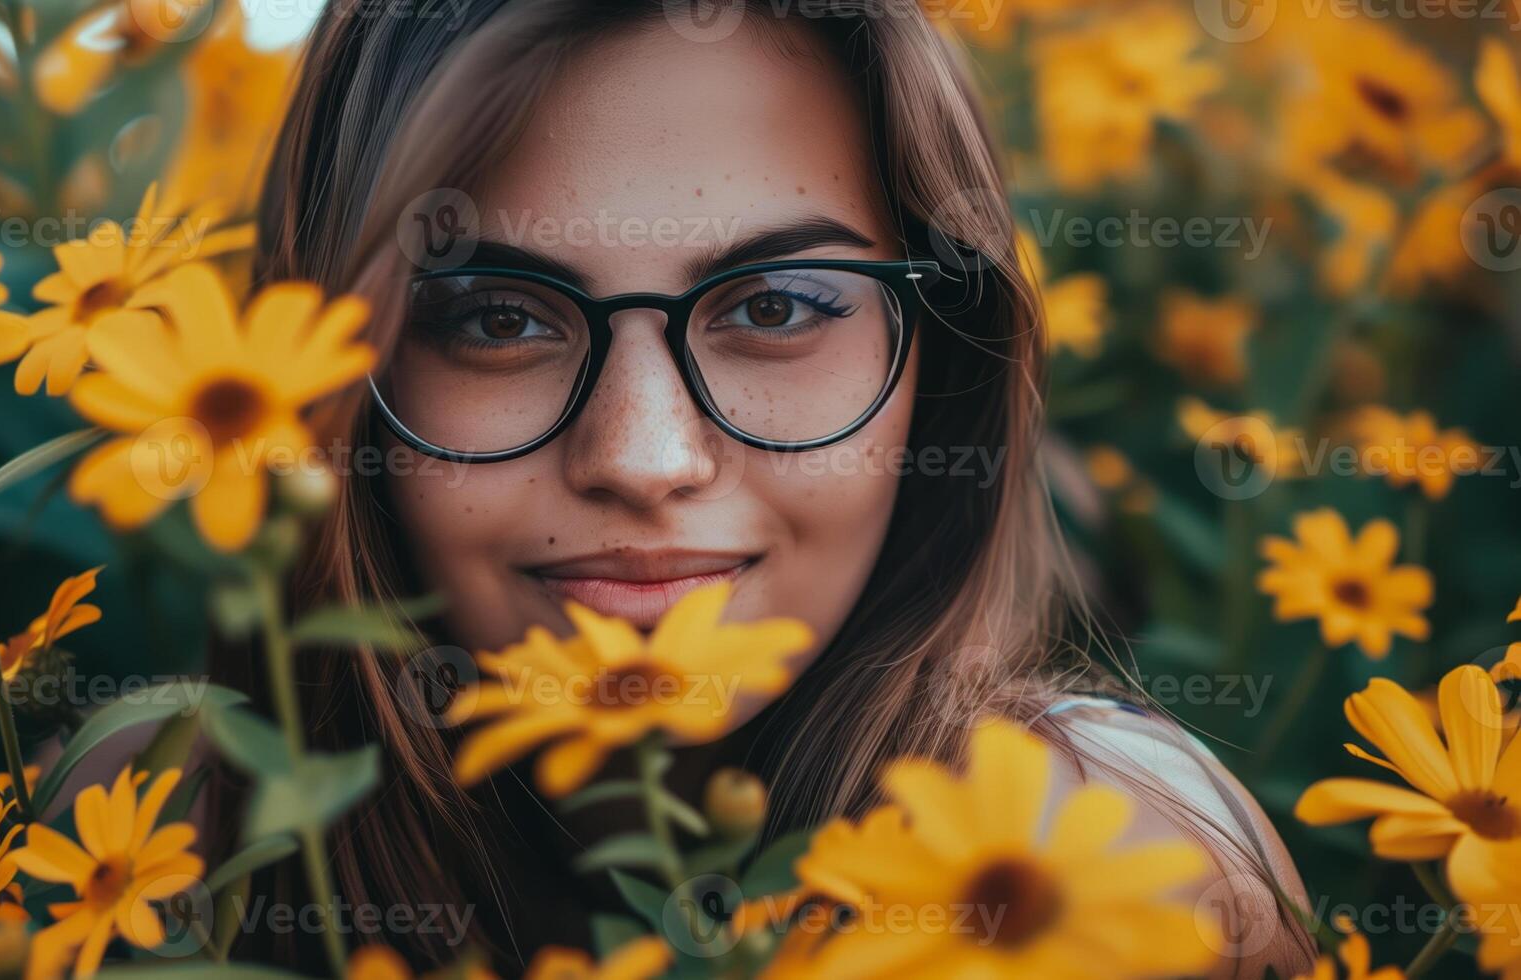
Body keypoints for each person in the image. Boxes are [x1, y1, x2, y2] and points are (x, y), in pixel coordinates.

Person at [213, 1, 1315, 974]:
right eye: (498, 318)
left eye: (777, 305)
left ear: (941, 355)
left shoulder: (1140, 865)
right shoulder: (181, 855)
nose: (646, 458)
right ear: (318, 371)